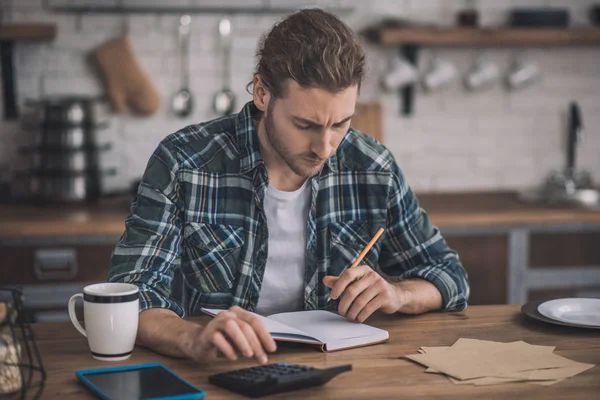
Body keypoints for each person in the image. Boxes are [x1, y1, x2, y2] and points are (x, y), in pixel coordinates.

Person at [109, 8, 469, 366]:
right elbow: (133, 295)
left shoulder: (373, 168)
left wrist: (397, 294)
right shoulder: (183, 162)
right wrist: (192, 337)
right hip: (217, 369)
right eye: (305, 125)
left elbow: (448, 275)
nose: (325, 148)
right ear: (263, 94)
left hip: (341, 376)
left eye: (341, 124)